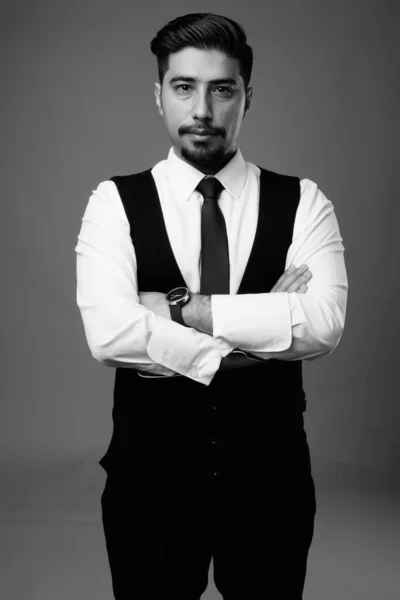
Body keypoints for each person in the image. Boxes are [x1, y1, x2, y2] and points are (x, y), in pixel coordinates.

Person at [75, 12, 347, 600]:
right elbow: (110, 336)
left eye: (222, 89)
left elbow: (322, 326)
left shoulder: (304, 202)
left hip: (270, 486)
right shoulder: (113, 202)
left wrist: (179, 311)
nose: (202, 109)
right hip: (149, 484)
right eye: (184, 87)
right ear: (159, 96)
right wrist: (257, 333)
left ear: (247, 97)